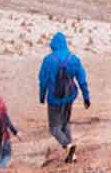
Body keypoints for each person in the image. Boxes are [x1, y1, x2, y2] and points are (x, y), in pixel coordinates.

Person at [36, 33, 91, 163]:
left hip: (54, 98)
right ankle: (72, 155)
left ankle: (67, 145)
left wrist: (42, 96)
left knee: (54, 128)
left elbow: (42, 81)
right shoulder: (73, 58)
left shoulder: (48, 60)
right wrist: (86, 97)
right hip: (69, 96)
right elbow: (82, 79)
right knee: (65, 124)